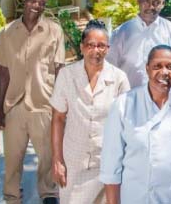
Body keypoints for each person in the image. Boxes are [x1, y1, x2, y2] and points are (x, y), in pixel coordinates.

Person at [100, 45, 171, 204]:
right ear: (147, 69)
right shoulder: (124, 105)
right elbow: (111, 165)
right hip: (138, 198)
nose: (164, 72)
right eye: (157, 66)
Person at [0, 0, 65, 204]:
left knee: (47, 157)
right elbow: (3, 71)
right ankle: (12, 196)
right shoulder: (7, 32)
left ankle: (49, 193)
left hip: (43, 103)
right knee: (13, 159)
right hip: (14, 105)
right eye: (33, 1)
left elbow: (60, 70)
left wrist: (61, 106)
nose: (37, 6)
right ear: (24, 2)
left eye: (42, 3)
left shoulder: (54, 31)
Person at [50, 19, 130, 204]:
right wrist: (57, 160)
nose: (96, 51)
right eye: (91, 45)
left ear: (108, 48)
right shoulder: (67, 75)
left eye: (101, 46)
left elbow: (127, 123)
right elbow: (58, 119)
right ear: (82, 47)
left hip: (107, 160)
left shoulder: (119, 78)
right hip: (73, 160)